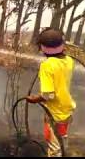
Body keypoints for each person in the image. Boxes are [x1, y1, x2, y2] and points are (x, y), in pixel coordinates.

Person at [26, 28, 76, 157]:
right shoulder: (69, 61)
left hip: (54, 113)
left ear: (42, 48)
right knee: (62, 139)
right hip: (66, 109)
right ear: (62, 46)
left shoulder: (47, 66)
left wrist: (34, 99)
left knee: (54, 147)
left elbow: (49, 95)